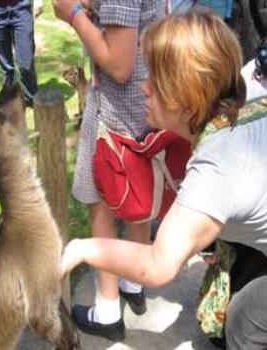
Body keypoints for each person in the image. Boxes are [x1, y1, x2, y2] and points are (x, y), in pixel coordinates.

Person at [62, 10, 267, 349]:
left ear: (186, 94)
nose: (143, 86)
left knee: (245, 325)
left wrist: (84, 248)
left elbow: (158, 264)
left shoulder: (215, 169)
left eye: (155, 79)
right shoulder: (245, 102)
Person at [52, 0, 167, 341]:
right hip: (144, 107)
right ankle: (133, 282)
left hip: (116, 113)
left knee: (101, 204)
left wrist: (72, 14)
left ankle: (107, 310)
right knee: (138, 199)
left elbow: (118, 65)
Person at [0, 0, 38, 107]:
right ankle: (10, 102)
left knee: (26, 64)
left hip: (21, 8)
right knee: (6, 68)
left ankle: (31, 100)